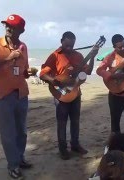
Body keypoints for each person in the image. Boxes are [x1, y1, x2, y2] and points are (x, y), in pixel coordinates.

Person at [0, 14, 34, 179]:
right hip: (4, 96)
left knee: (22, 132)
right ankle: (13, 165)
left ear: (21, 30)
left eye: (13, 26)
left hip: (21, 94)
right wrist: (7, 59)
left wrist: (28, 73)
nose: (8, 28)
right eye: (7, 25)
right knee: (8, 133)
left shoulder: (23, 46)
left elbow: (24, 71)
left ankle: (20, 158)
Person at [40, 31, 98, 160]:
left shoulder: (78, 55)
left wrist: (93, 56)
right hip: (61, 93)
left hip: (76, 92)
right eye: (67, 45)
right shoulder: (54, 56)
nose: (70, 48)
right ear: (61, 41)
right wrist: (53, 80)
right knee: (62, 122)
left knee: (75, 121)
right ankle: (62, 149)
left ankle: (75, 145)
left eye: (72, 45)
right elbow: (43, 73)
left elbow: (87, 71)